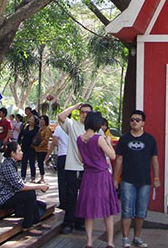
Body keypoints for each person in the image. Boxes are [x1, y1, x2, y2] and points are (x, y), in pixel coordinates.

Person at [113, 110, 159, 248]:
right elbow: (119, 159)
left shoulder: (150, 139)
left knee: (141, 211)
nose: (134, 122)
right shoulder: (124, 139)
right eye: (132, 120)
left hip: (144, 181)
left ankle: (137, 237)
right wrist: (115, 179)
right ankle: (125, 238)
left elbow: (155, 160)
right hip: (127, 180)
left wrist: (156, 177)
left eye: (137, 120)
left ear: (143, 123)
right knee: (127, 210)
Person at [75, 111, 120, 248]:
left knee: (88, 211)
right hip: (102, 176)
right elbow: (112, 155)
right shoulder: (99, 138)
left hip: (88, 176)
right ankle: (110, 242)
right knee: (107, 210)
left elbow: (81, 159)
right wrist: (108, 143)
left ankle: (89, 242)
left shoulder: (79, 139)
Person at [0, 141, 50, 236]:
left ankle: (36, 222)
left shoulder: (11, 163)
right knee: (30, 194)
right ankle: (27, 227)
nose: (22, 153)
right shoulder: (8, 166)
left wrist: (37, 186)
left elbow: (20, 183)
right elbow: (21, 187)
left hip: (6, 195)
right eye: (19, 151)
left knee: (31, 194)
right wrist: (40, 186)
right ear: (12, 153)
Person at [58, 102, 94, 234]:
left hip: (88, 168)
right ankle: (68, 223)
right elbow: (61, 116)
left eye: (87, 112)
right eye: (82, 112)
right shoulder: (72, 124)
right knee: (71, 196)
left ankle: (80, 222)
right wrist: (75, 106)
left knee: (85, 196)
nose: (84, 114)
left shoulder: (95, 129)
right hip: (72, 166)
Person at [45, 122, 68, 210]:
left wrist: (47, 155)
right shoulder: (73, 126)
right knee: (70, 179)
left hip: (62, 155)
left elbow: (54, 142)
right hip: (72, 156)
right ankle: (71, 201)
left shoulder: (59, 128)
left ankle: (63, 202)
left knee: (62, 180)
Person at [18, 115, 39, 181]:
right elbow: (20, 135)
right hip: (24, 147)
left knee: (32, 162)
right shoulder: (25, 127)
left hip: (32, 148)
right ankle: (23, 176)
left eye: (32, 120)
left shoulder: (37, 129)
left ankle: (33, 177)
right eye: (30, 119)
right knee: (23, 162)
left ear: (35, 122)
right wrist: (18, 144)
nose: (30, 121)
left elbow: (38, 138)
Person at [33, 115, 52, 184]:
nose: (41, 121)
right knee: (39, 163)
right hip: (38, 149)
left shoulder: (47, 129)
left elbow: (46, 140)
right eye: (41, 120)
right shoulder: (40, 128)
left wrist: (40, 145)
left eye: (43, 120)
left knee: (41, 163)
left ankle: (42, 178)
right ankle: (41, 177)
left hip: (43, 149)